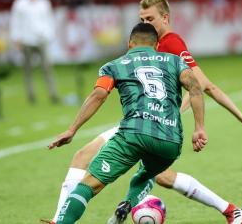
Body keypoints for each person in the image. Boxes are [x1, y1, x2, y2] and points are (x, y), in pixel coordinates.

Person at [42, 0, 242, 224]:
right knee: (156, 174)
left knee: (89, 161)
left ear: (164, 18)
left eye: (150, 19)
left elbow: (203, 84)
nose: (146, 24)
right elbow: (195, 86)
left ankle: (62, 220)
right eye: (142, 19)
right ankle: (227, 210)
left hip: (142, 122)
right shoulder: (164, 51)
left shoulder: (171, 43)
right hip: (164, 130)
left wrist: (231, 116)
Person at [48, 22, 207, 224]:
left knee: (88, 186)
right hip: (170, 140)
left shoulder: (114, 66)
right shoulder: (175, 62)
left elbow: (99, 95)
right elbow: (194, 88)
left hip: (132, 135)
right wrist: (199, 128)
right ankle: (127, 205)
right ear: (157, 45)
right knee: (146, 174)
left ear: (129, 44)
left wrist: (72, 129)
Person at [10, 0, 59, 104]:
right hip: (26, 40)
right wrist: (17, 39)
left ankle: (53, 94)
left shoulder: (44, 2)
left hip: (42, 39)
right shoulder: (19, 3)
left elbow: (49, 20)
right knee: (28, 70)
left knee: (47, 68)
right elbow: (15, 22)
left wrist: (49, 35)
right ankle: (31, 95)